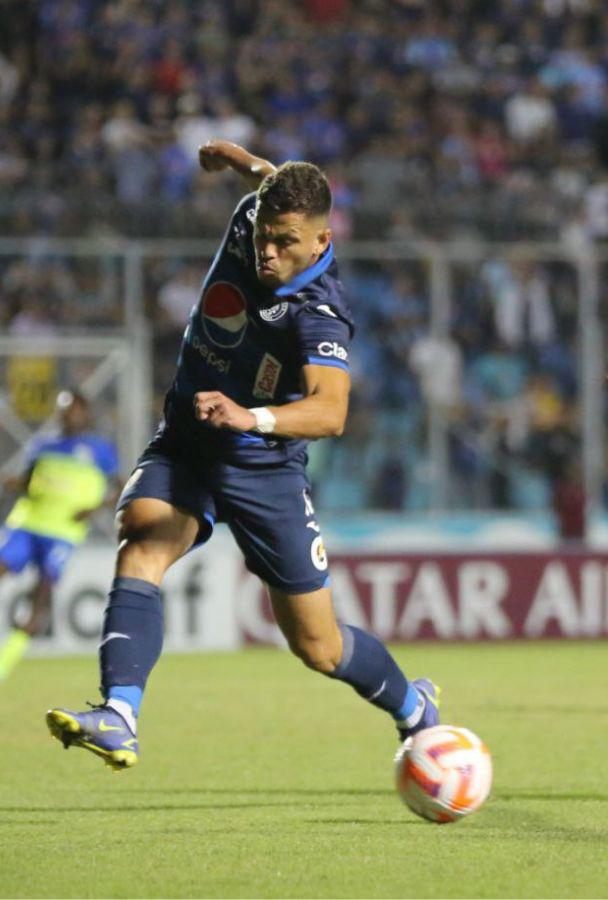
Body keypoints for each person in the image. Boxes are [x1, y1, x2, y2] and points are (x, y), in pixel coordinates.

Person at [46, 141, 439, 770]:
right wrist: (233, 158)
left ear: (320, 240)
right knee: (141, 534)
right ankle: (119, 715)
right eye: (263, 234)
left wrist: (250, 416)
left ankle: (415, 710)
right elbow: (270, 178)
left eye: (285, 241)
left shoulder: (318, 314)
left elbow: (330, 410)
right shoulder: (260, 214)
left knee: (318, 646)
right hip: (189, 434)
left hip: (262, 465)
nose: (267, 252)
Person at [0, 391, 120, 681]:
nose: (67, 415)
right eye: (62, 410)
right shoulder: (43, 445)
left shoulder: (99, 450)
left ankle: (4, 665)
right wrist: (14, 483)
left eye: (72, 410)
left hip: (63, 531)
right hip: (27, 522)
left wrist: (95, 509)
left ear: (85, 413)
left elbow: (120, 487)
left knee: (41, 594)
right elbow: (28, 481)